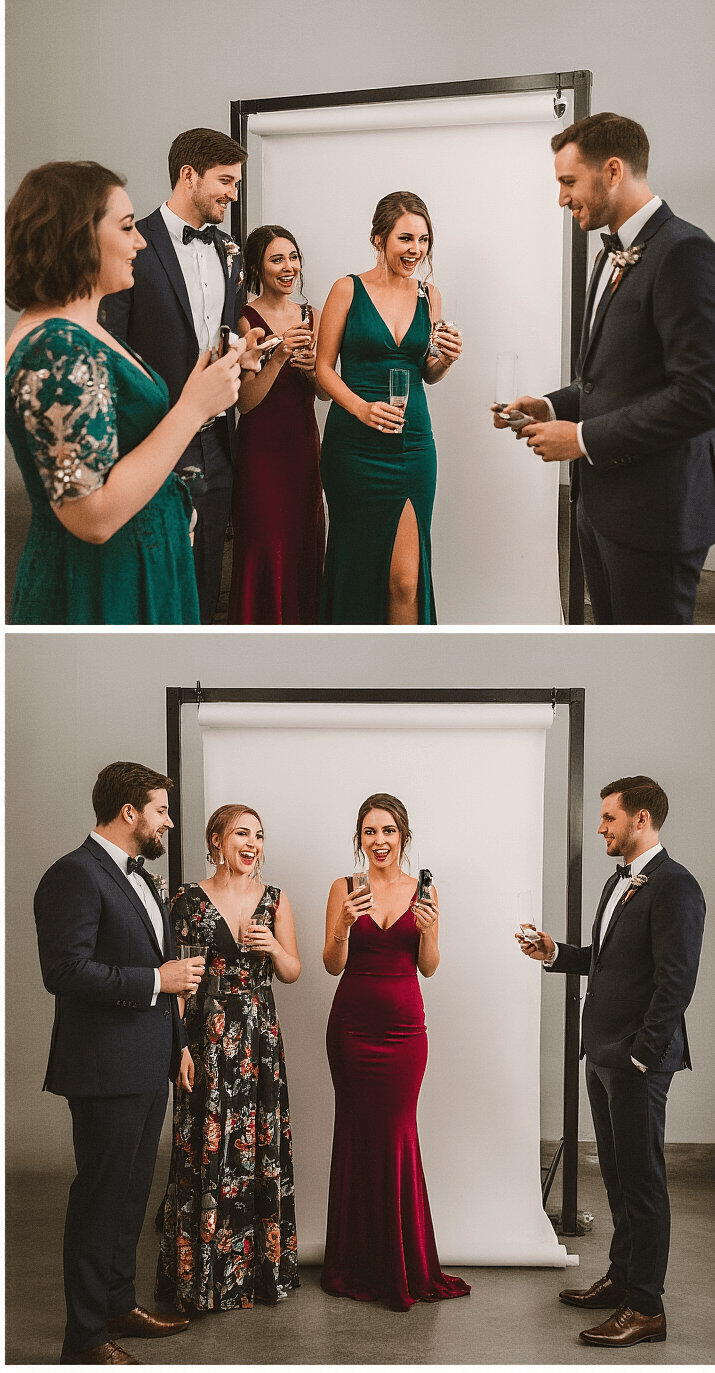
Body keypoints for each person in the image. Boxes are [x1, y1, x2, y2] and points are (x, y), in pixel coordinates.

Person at [493, 112, 715, 625]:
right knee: (611, 659)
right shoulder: (609, 256)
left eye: (568, 181)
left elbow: (705, 396)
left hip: (656, 518)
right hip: (599, 510)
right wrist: (550, 405)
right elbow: (609, 379)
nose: (562, 198)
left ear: (613, 171)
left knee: (648, 667)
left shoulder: (686, 253)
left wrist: (581, 439)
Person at [5, 160, 252, 625]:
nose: (139, 240)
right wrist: (194, 406)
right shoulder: (55, 349)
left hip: (141, 569)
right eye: (125, 227)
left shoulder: (86, 331)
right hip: (100, 588)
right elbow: (92, 516)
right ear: (77, 239)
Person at [517, 776, 705, 1348]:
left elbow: (676, 981)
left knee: (643, 1182)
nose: (600, 827)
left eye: (608, 817)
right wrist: (555, 953)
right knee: (618, 1177)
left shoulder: (676, 886)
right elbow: (608, 961)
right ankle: (623, 1278)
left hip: (635, 1062)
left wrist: (643, 1056)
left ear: (641, 819)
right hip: (601, 1055)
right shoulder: (618, 881)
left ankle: (646, 1307)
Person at [34, 762, 206, 1365]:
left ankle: (117, 1305)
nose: (168, 822)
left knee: (131, 1196)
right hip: (104, 1069)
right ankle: (83, 1340)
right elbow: (64, 971)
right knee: (99, 1200)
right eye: (161, 810)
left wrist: (178, 1044)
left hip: (149, 1063)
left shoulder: (141, 877)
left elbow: (164, 972)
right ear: (129, 812)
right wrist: (156, 980)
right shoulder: (73, 874)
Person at [100, 129, 263, 623]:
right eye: (226, 181)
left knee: (207, 587)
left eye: (236, 184)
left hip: (219, 445)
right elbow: (113, 351)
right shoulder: (133, 245)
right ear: (189, 176)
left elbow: (218, 336)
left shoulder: (230, 251)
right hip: (156, 441)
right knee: (158, 587)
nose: (234, 194)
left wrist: (242, 354)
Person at [321, 794, 471, 1310]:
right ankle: (354, 1262)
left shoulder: (424, 891)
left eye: (388, 831)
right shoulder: (343, 888)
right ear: (359, 838)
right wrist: (342, 925)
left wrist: (427, 932)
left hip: (405, 1032)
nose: (379, 840)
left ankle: (402, 1261)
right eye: (370, 831)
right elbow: (331, 964)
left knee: (397, 1135)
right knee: (356, 1135)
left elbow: (428, 966)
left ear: (403, 836)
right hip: (351, 1028)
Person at [156, 804, 301, 1311]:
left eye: (259, 835)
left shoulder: (275, 899)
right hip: (207, 1038)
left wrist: (273, 948)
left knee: (259, 1147)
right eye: (242, 833)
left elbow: (293, 971)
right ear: (216, 841)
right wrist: (178, 1046)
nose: (253, 844)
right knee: (203, 1146)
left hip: (260, 1039)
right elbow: (176, 984)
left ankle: (258, 1277)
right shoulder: (186, 901)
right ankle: (201, 1280)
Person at [316, 192, 463, 625]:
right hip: (353, 447)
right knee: (356, 569)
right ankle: (353, 659)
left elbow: (428, 372)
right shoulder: (347, 289)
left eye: (423, 239)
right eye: (406, 238)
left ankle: (405, 664)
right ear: (378, 239)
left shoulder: (429, 296)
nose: (416, 249)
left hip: (412, 446)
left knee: (405, 581)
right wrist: (361, 409)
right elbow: (323, 370)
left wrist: (446, 359)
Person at [228, 225, 329, 623]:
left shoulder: (311, 316)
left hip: (303, 451)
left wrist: (312, 371)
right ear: (257, 267)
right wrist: (280, 355)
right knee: (264, 549)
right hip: (261, 456)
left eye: (293, 257)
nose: (289, 267)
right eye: (277, 259)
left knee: (304, 550)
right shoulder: (245, 320)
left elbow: (323, 393)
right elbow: (245, 403)